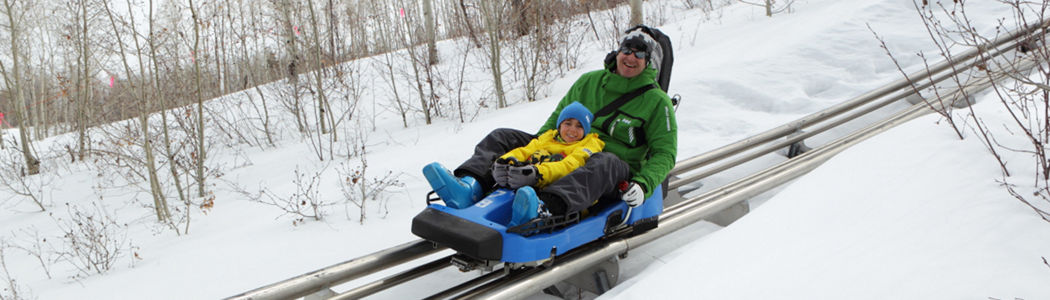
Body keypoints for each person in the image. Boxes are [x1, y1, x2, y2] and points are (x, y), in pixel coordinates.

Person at [424, 28, 677, 228]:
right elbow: (555, 122)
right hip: (567, 147)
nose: (631, 57)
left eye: (640, 53)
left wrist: (643, 184)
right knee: (503, 137)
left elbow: (664, 153)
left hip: (612, 170)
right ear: (618, 51)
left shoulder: (657, 102)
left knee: (604, 162)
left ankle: (543, 209)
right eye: (627, 49)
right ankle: (471, 186)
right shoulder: (589, 82)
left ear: (649, 61)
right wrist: (534, 149)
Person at [423, 102, 603, 211]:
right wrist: (503, 162)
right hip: (527, 181)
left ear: (586, 130)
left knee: (527, 195)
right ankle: (469, 189)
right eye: (568, 123)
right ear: (560, 124)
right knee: (500, 143)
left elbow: (570, 165)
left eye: (579, 126)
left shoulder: (588, 144)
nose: (572, 130)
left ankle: (537, 213)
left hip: (554, 187)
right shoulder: (548, 136)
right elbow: (525, 150)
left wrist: (536, 173)